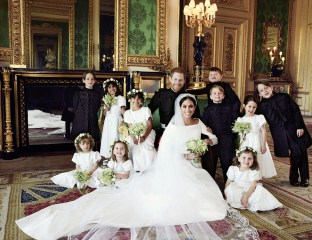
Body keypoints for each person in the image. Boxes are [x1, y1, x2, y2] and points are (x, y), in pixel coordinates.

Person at [16, 93, 235, 240]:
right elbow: (166, 151)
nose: (188, 109)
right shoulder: (173, 127)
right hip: (178, 165)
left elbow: (213, 138)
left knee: (210, 200)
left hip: (193, 166)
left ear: (195, 107)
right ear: (180, 108)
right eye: (184, 106)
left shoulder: (198, 122)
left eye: (190, 106)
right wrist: (186, 153)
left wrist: (206, 142)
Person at [256, 82, 312, 187]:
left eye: (266, 88)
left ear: (271, 87)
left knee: (302, 151)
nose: (265, 91)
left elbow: (295, 110)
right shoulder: (261, 106)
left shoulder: (284, 97)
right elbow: (253, 115)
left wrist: (300, 126)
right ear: (260, 95)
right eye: (261, 90)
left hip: (295, 128)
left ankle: (304, 178)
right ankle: (295, 177)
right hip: (280, 133)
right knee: (296, 152)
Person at [225, 146, 283, 212]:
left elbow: (252, 186)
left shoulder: (254, 171)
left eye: (250, 158)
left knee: (260, 190)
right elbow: (228, 182)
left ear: (253, 160)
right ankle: (237, 202)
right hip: (237, 187)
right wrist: (226, 194)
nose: (246, 160)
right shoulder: (233, 169)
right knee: (230, 189)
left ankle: (246, 201)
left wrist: (246, 196)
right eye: (244, 158)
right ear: (239, 159)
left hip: (249, 189)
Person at [202, 85, 239, 181]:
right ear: (210, 96)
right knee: (210, 165)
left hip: (226, 139)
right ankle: (210, 185)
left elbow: (234, 123)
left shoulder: (229, 108)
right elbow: (204, 124)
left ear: (223, 96)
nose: (217, 95)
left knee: (227, 163)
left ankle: (228, 184)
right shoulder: (207, 109)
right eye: (214, 93)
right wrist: (206, 128)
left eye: (219, 93)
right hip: (213, 140)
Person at [236, 95, 277, 178]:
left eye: (254, 107)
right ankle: (247, 178)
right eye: (249, 106)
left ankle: (256, 179)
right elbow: (240, 135)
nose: (251, 109)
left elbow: (264, 131)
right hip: (245, 143)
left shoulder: (259, 117)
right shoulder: (240, 120)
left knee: (257, 160)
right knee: (246, 160)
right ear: (244, 106)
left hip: (257, 142)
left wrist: (263, 145)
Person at [148, 67, 188, 147]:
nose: (177, 82)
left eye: (180, 80)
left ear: (184, 81)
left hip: (184, 133)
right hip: (165, 132)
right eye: (175, 79)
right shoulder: (161, 94)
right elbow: (149, 111)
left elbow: (196, 117)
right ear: (170, 79)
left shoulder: (188, 96)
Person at [124, 90, 156, 172]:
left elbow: (149, 125)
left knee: (146, 146)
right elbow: (130, 127)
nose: (136, 101)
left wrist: (144, 137)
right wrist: (133, 137)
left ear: (142, 100)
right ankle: (135, 168)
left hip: (147, 132)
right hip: (134, 133)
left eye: (139, 99)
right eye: (134, 98)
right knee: (129, 144)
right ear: (130, 99)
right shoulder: (127, 113)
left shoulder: (146, 110)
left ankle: (149, 168)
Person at [70, 71, 101, 142]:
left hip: (92, 122)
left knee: (92, 141)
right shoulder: (78, 93)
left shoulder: (97, 95)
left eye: (92, 79)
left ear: (94, 81)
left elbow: (97, 107)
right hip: (80, 121)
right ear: (83, 80)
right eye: (88, 79)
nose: (90, 81)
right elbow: (75, 108)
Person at [99, 78, 126, 158]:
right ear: (107, 89)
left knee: (115, 137)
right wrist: (106, 109)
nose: (112, 89)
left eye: (113, 87)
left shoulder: (120, 98)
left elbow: (123, 111)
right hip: (108, 121)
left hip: (116, 121)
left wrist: (126, 121)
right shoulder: (106, 99)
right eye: (109, 87)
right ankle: (108, 156)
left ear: (117, 88)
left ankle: (117, 156)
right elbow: (104, 113)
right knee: (108, 138)